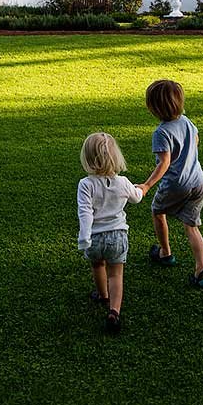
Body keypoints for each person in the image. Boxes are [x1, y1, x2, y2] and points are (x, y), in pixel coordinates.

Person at [139, 79, 203, 288]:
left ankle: (165, 252)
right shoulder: (187, 122)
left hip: (177, 184)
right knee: (192, 226)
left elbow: (164, 163)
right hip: (198, 181)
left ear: (154, 108)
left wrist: (146, 185)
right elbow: (196, 140)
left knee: (157, 211)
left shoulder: (161, 132)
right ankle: (202, 271)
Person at [77, 132, 148, 333]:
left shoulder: (86, 185)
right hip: (117, 236)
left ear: (88, 159)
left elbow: (85, 212)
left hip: (95, 237)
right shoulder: (123, 182)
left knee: (98, 264)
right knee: (116, 274)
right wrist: (142, 189)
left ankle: (102, 294)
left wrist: (84, 237)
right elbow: (136, 198)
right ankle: (114, 311)